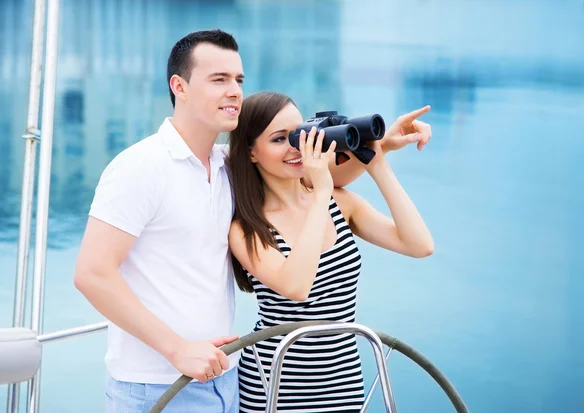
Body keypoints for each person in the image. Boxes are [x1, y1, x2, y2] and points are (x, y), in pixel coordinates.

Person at [74, 29, 433, 412]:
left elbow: (314, 179)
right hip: (161, 382)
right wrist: (177, 350)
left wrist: (379, 148)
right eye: (218, 79)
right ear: (179, 86)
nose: (234, 91)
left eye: (238, 80)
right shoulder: (141, 167)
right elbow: (92, 274)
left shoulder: (222, 165)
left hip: (226, 376)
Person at [227, 91, 434, 412]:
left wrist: (378, 162)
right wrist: (320, 188)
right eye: (280, 139)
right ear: (252, 153)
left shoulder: (340, 203)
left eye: (300, 134)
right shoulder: (246, 228)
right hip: (276, 383)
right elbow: (296, 287)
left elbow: (420, 245)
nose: (296, 147)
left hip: (343, 380)